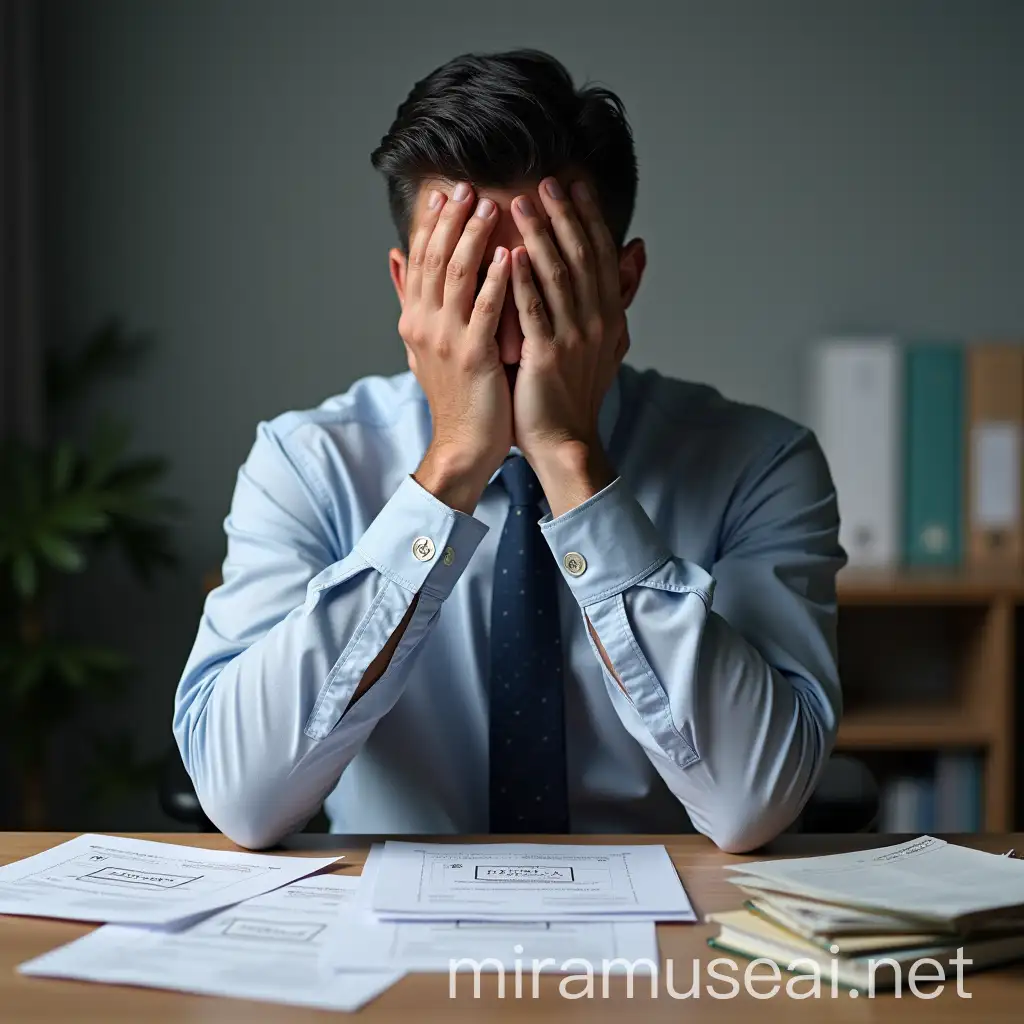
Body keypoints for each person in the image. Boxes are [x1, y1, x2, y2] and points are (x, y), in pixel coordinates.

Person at [173, 49, 845, 852]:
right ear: (405, 286)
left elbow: (754, 804)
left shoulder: (762, 466)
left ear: (622, 280)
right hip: (389, 941)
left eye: (545, 276)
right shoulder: (307, 464)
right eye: (465, 278)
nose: (506, 315)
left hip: (672, 941)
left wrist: (570, 463)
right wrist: (452, 466)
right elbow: (243, 800)